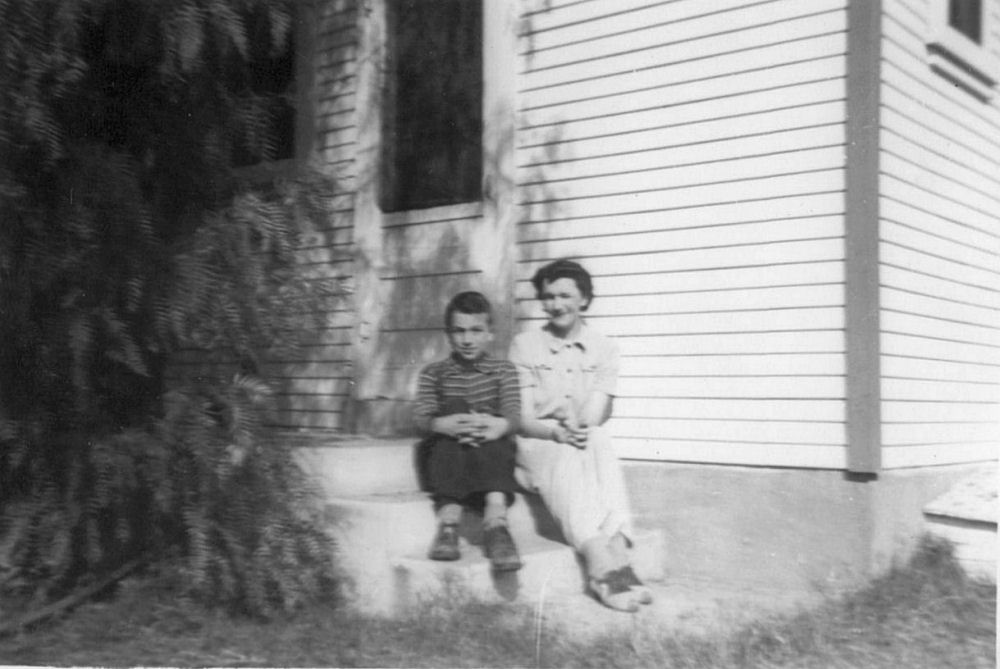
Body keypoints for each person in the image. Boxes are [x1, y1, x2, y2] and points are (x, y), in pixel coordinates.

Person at [509, 259, 653, 612]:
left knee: (599, 440)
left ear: (584, 300)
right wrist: (558, 432)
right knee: (571, 450)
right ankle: (600, 563)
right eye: (548, 297)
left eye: (564, 295)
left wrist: (577, 429)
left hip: (580, 442)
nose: (556, 304)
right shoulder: (525, 346)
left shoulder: (605, 348)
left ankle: (617, 547)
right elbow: (523, 419)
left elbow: (597, 414)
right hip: (538, 444)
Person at [413, 291, 523, 572]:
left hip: (489, 458)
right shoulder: (433, 373)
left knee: (497, 431)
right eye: (459, 331)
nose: (467, 339)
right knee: (455, 406)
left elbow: (513, 416)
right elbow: (421, 416)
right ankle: (449, 525)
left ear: (490, 333)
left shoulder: (503, 371)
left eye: (476, 330)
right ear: (448, 334)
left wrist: (492, 425)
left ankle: (496, 525)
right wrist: (442, 424)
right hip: (449, 460)